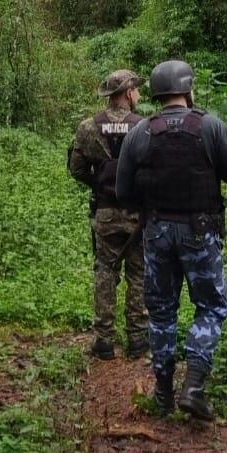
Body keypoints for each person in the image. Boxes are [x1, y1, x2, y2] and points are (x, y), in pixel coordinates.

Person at [116, 59, 227, 420]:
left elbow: (123, 192)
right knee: (211, 306)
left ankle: (162, 394)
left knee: (160, 312)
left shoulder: (139, 132)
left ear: (157, 94)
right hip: (199, 233)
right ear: (188, 90)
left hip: (156, 234)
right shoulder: (211, 126)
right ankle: (194, 385)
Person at [68, 69, 148, 360]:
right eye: (136, 89)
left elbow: (76, 168)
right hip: (137, 215)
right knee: (138, 273)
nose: (138, 94)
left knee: (105, 270)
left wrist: (101, 183)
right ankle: (138, 339)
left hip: (105, 212)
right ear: (127, 93)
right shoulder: (144, 127)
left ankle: (104, 340)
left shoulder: (88, 127)